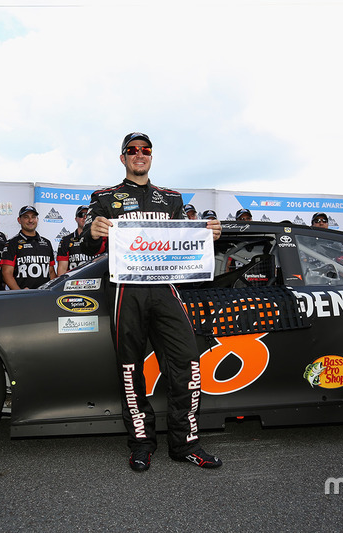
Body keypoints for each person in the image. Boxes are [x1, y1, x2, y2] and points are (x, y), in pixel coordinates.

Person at [81, 132, 223, 472]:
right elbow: (86, 245)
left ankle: (185, 443)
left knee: (188, 364)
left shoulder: (171, 198)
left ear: (151, 156)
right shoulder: (104, 197)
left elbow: (185, 240)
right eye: (132, 151)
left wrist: (210, 234)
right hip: (125, 291)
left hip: (165, 289)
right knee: (131, 370)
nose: (139, 155)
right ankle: (142, 443)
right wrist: (93, 232)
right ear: (123, 158)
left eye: (145, 150)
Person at [2, 205, 56, 289]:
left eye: (33, 217)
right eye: (26, 217)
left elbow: (51, 271)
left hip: (44, 296)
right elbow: (6, 273)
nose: (30, 220)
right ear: (19, 220)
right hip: (23, 297)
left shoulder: (46, 243)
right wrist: (19, 293)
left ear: (37, 220)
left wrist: (53, 292)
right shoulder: (12, 243)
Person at [56, 205, 96, 276]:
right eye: (81, 215)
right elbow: (62, 269)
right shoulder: (66, 240)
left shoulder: (101, 239)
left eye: (88, 215)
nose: (85, 217)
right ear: (76, 219)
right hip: (74, 285)